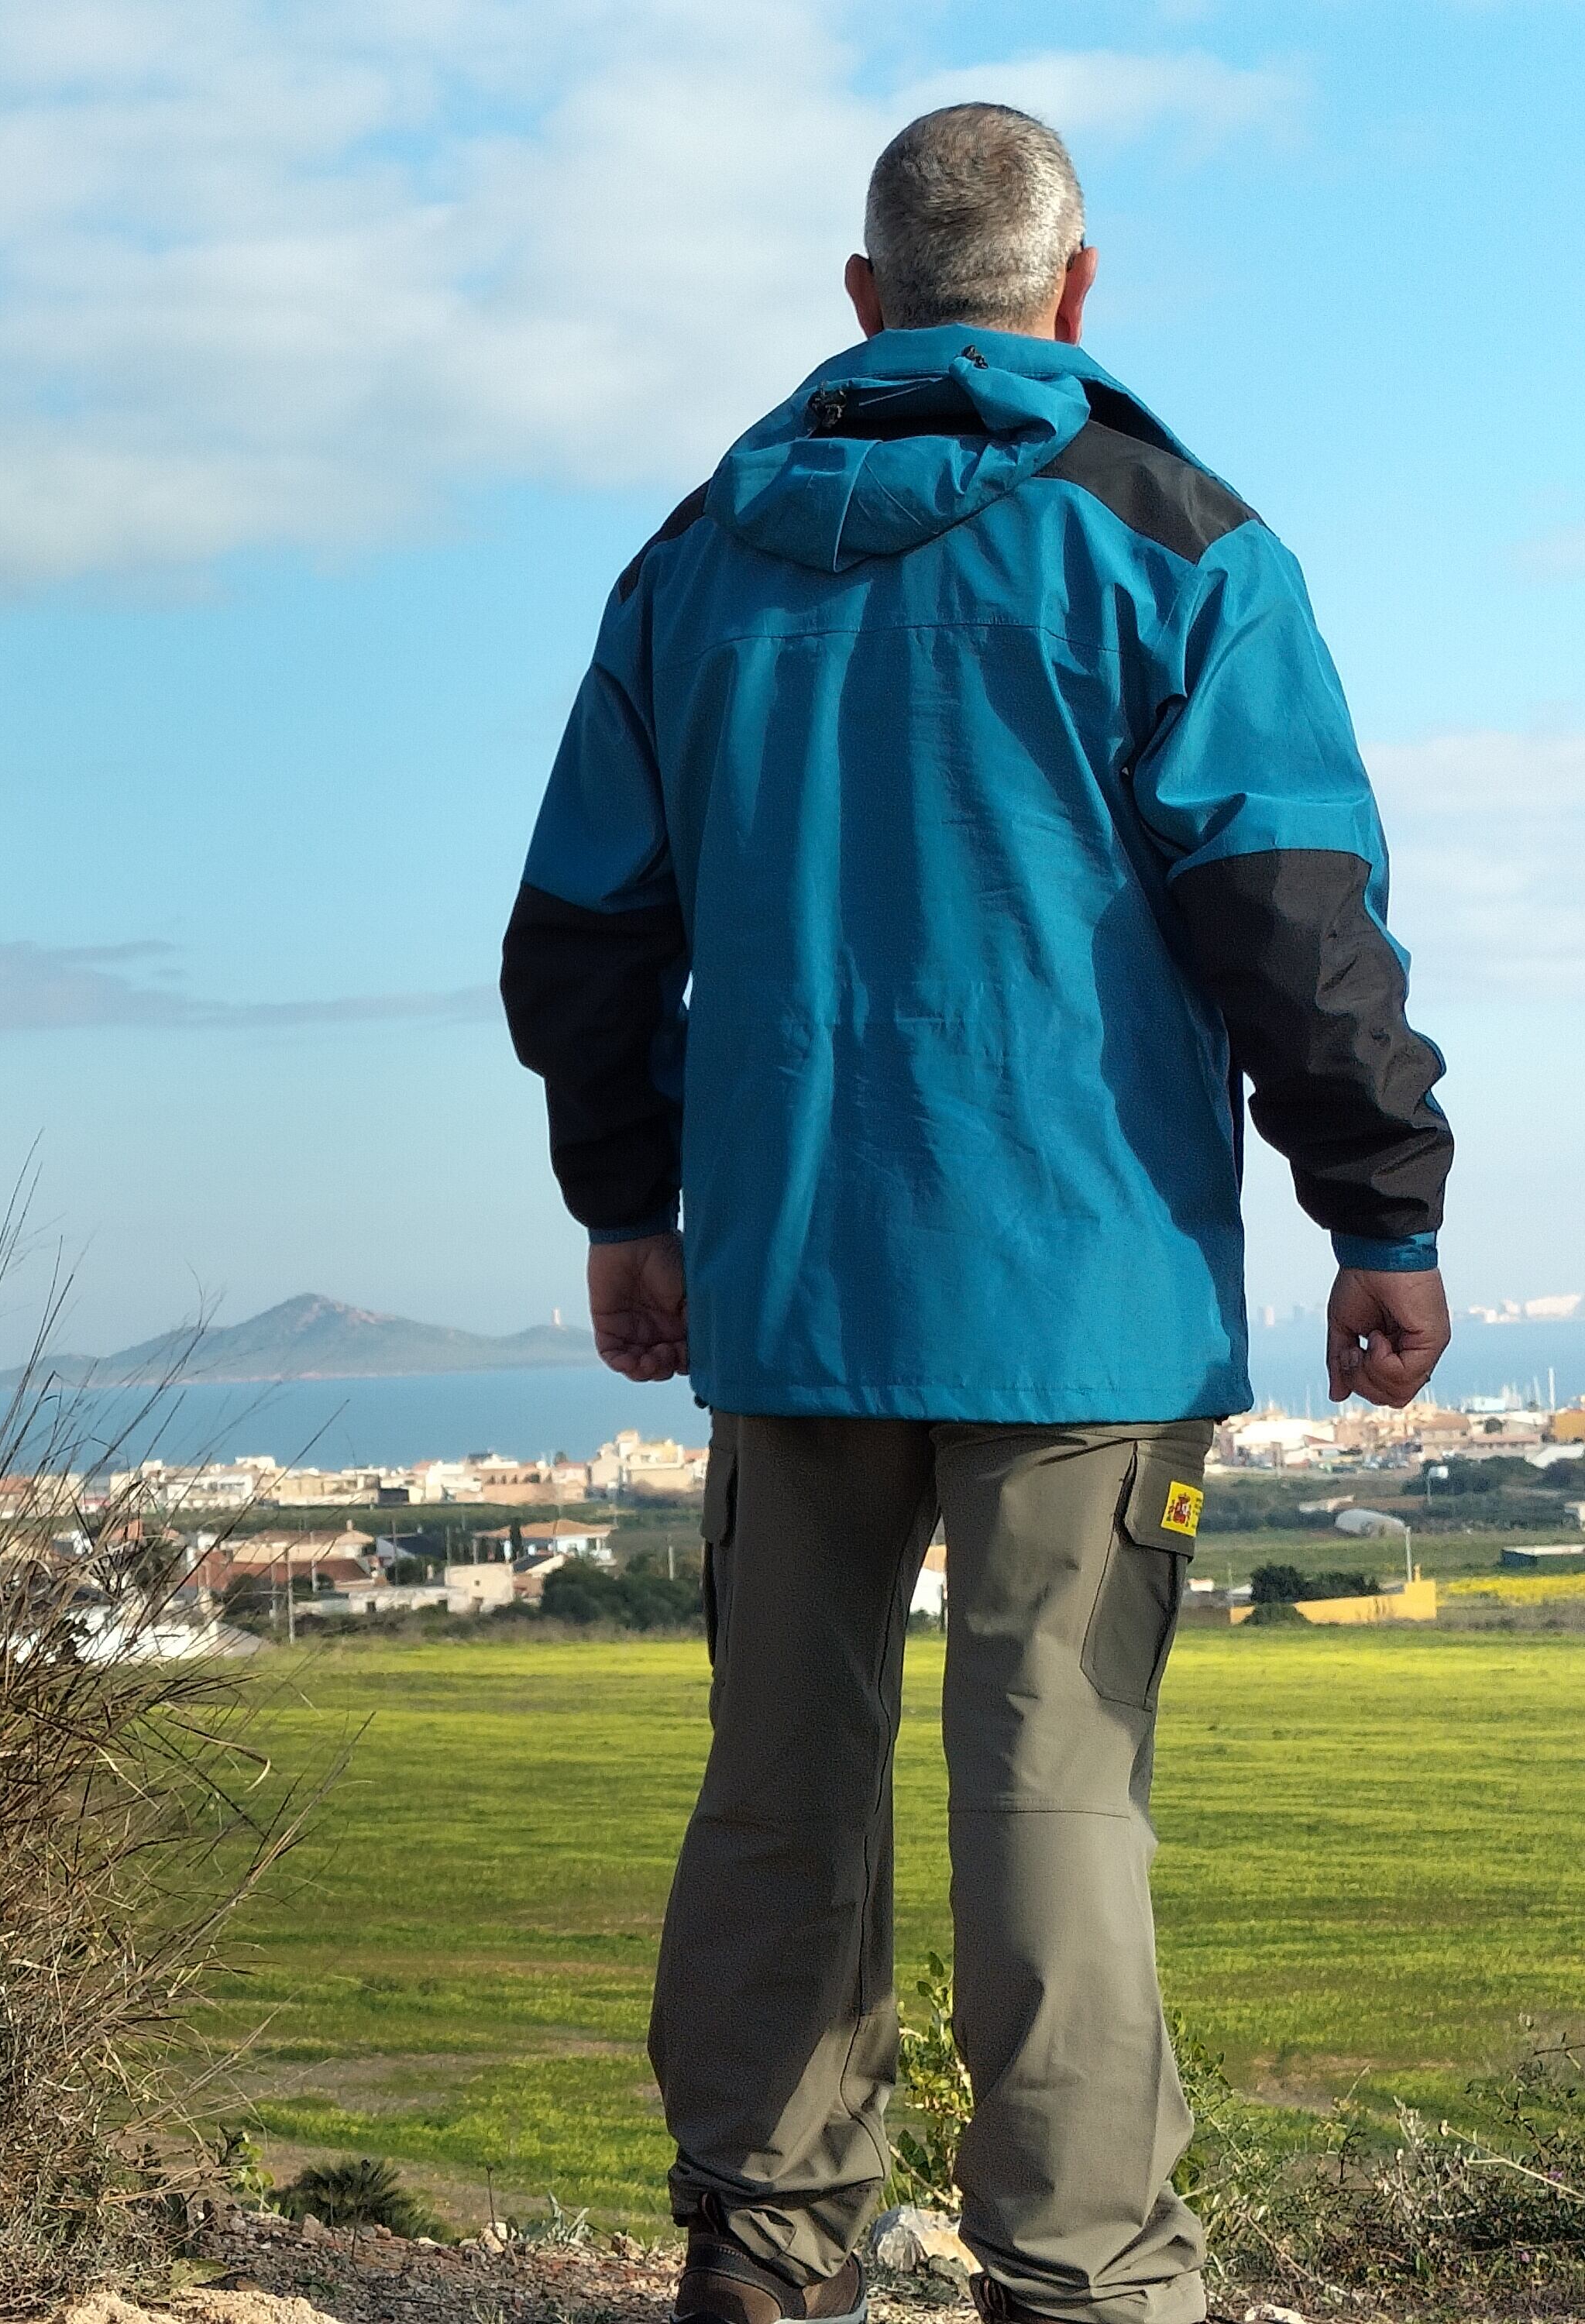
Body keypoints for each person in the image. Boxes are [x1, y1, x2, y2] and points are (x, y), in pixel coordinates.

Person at [499, 103, 1453, 2324]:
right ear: (1077, 292)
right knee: (1055, 1806)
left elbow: (579, 938)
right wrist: (1379, 1211)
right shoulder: (1184, 543)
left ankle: (767, 2252)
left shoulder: (688, 562)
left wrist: (630, 1201)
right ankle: (1087, 2280)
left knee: (778, 1793)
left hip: (792, 1276)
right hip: (1084, 1300)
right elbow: (1292, 919)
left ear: (860, 306)